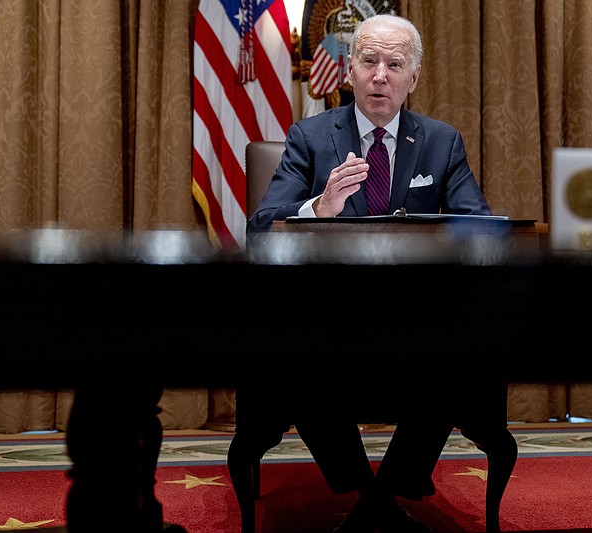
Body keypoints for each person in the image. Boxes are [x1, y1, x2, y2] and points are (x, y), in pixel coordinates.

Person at [244, 14, 517, 533]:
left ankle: (385, 490)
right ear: (349, 70)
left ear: (413, 78)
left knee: (457, 353)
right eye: (368, 61)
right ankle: (373, 496)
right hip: (328, 316)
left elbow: (479, 225)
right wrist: (319, 207)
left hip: (415, 319)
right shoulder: (309, 137)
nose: (380, 76)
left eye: (395, 65)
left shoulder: (440, 143)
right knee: (297, 355)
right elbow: (261, 226)